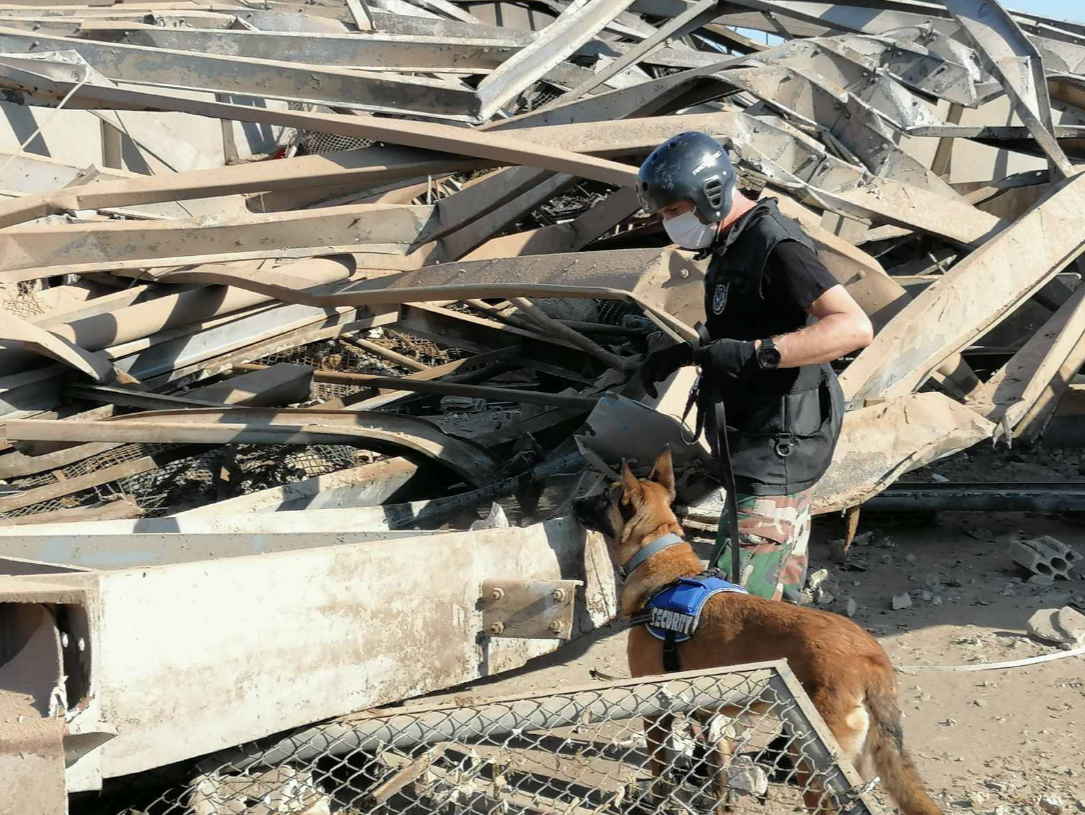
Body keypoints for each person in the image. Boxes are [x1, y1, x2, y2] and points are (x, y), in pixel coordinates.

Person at [636, 131, 873, 604]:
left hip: (780, 440)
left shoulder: (773, 242)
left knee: (733, 600)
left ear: (712, 194)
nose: (668, 224)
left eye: (673, 211)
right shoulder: (730, 242)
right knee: (776, 584)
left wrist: (756, 353)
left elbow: (852, 327)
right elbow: (749, 320)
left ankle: (740, 673)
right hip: (758, 437)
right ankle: (786, 664)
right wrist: (692, 352)